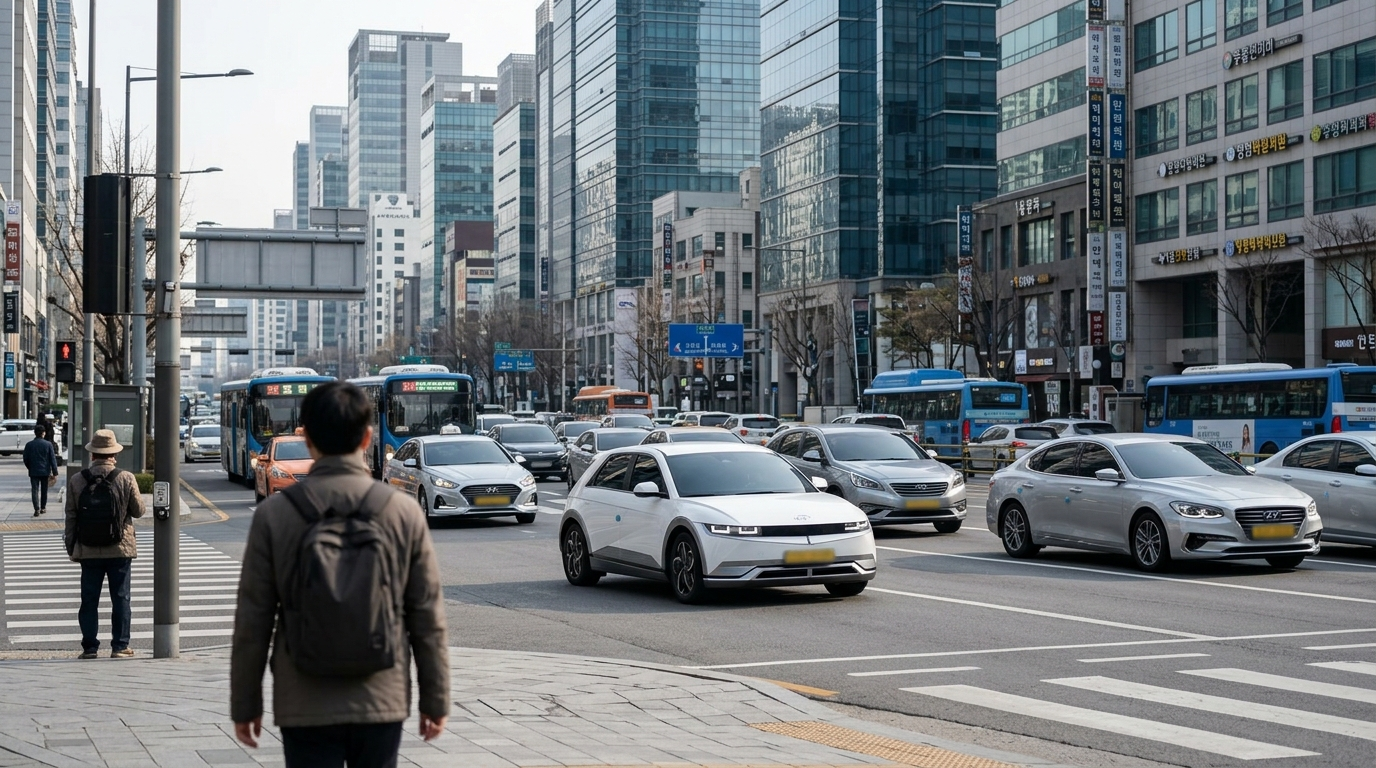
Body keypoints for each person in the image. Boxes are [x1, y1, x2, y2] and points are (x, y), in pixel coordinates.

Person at [231, 381, 449, 768]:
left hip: (303, 698)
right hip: (380, 696)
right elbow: (426, 616)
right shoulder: (401, 511)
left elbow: (253, 620)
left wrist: (246, 704)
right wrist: (435, 699)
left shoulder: (275, 515)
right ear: (367, 438)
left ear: (307, 437)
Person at [64, 429, 144, 659]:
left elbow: (71, 516)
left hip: (88, 548)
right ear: (114, 455)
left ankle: (90, 647)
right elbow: (139, 511)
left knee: (89, 599)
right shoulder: (126, 477)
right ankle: (120, 646)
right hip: (120, 548)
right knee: (120, 597)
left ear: (92, 455)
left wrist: (72, 547)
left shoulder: (77, 480)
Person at [22, 425, 58, 516]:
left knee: (34, 490)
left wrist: (30, 467)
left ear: (35, 433)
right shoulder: (48, 444)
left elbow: (25, 458)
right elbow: (52, 459)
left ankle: (36, 509)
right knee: (44, 489)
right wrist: (54, 472)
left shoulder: (29, 445)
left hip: (33, 471)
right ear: (43, 433)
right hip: (45, 471)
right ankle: (43, 507)